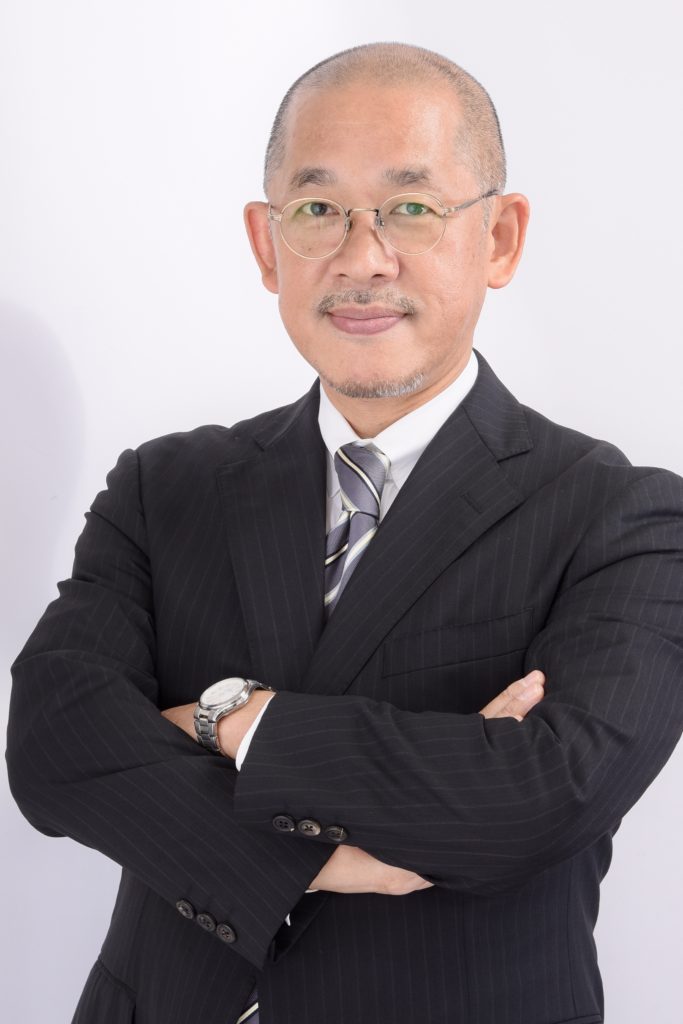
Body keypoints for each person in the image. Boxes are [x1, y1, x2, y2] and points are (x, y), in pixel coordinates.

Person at [6, 41, 683, 1024]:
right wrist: (310, 858)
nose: (362, 258)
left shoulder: (619, 516)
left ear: (498, 237)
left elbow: (541, 796)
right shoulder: (166, 486)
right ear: (266, 242)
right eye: (318, 209)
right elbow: (53, 743)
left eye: (410, 207)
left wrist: (227, 718)